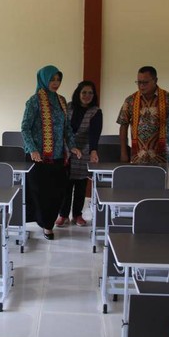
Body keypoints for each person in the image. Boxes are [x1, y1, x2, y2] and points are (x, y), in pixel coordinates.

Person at [21, 65, 81, 240]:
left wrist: (73, 145)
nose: (56, 83)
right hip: (38, 157)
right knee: (41, 193)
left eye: (58, 79)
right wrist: (32, 149)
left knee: (57, 193)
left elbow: (67, 128)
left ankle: (48, 222)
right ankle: (46, 225)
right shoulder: (34, 101)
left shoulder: (62, 101)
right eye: (52, 79)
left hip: (58, 157)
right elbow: (25, 128)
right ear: (43, 80)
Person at [56, 80, 103, 227]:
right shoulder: (68, 107)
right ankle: (63, 215)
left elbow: (95, 134)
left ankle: (77, 215)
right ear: (78, 93)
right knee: (65, 185)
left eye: (90, 93)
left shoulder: (96, 111)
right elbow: (61, 128)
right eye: (84, 92)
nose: (87, 95)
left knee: (81, 186)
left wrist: (93, 151)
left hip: (84, 151)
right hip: (66, 151)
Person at [116, 66, 169, 164]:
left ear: (155, 80)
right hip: (138, 156)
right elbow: (123, 125)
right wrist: (123, 153)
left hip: (163, 155)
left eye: (145, 82)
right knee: (138, 179)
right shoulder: (130, 100)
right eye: (139, 82)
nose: (141, 86)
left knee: (161, 179)